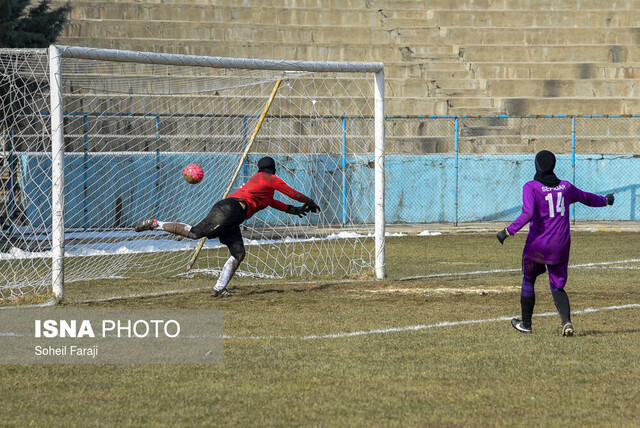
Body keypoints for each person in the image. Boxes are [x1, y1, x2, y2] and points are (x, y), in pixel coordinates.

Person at [134, 156, 320, 297]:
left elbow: (275, 202)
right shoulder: (268, 178)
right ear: (272, 169)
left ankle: (219, 288)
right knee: (195, 233)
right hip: (230, 210)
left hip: (232, 213)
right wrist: (310, 201)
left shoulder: (259, 185)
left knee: (238, 253)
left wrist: (294, 210)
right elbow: (292, 192)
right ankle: (156, 224)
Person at [497, 150, 614, 336]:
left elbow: (527, 213)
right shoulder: (565, 187)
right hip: (560, 245)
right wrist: (605, 201)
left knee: (528, 280)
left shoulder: (531, 187)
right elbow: (585, 197)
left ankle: (526, 324)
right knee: (557, 286)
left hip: (538, 244)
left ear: (537, 166)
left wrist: (507, 231)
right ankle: (566, 322)